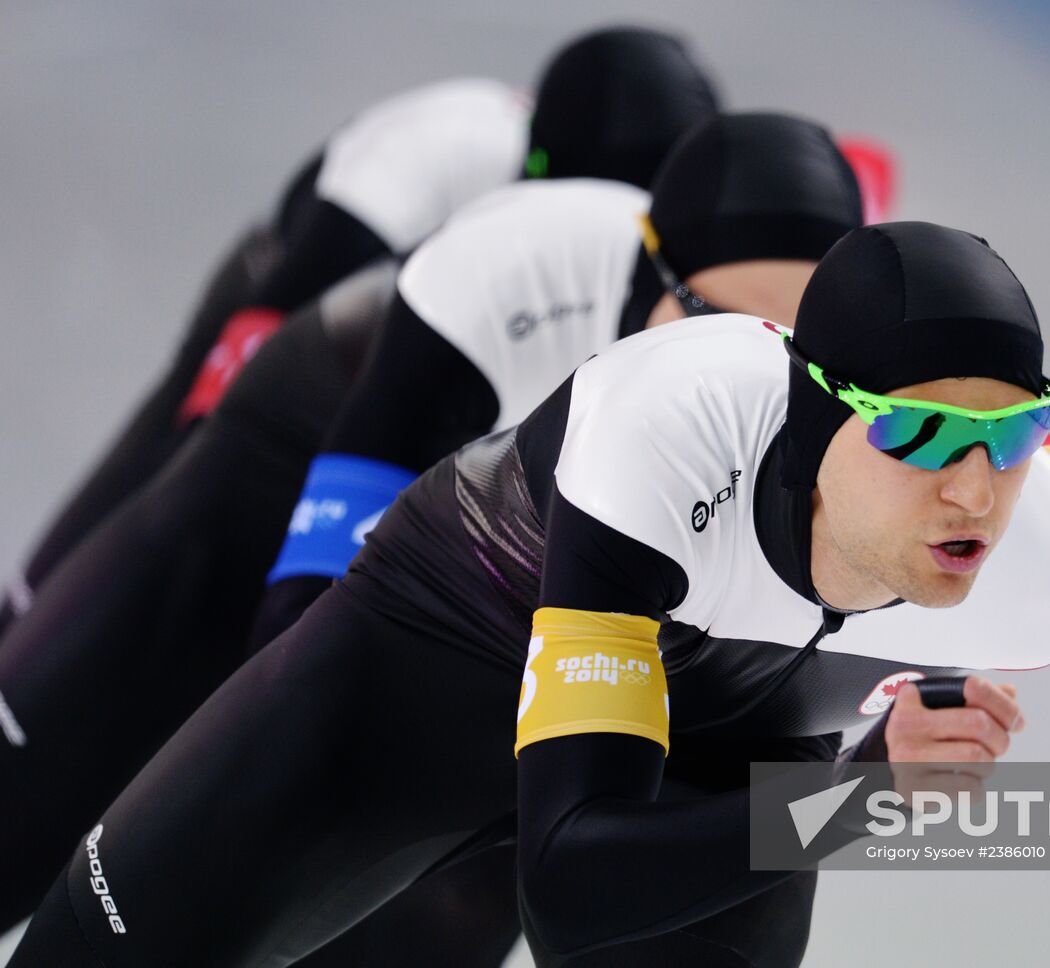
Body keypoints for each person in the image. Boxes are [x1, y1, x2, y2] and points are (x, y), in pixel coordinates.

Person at [9, 221, 1050, 967]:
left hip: (729, 730)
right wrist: (856, 797)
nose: (973, 488)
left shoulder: (1048, 567)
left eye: (1012, 434)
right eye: (918, 430)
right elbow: (572, 883)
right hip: (435, 663)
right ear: (816, 417)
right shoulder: (664, 427)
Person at [0, 112, 864, 960]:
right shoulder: (520, 268)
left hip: (535, 627)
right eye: (714, 314)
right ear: (650, 260)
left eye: (795, 353)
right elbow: (310, 632)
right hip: (286, 499)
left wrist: (877, 791)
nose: (749, 364)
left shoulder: (877, 479)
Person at [0, 26, 718, 638]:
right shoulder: (439, 155)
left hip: (429, 329)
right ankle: (33, 607)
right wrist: (192, 475)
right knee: (159, 501)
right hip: (294, 289)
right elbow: (256, 329)